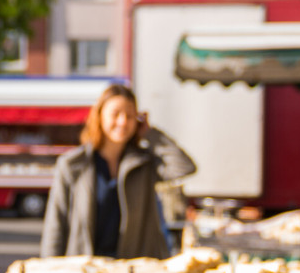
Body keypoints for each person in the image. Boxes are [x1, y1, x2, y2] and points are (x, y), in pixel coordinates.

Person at [40, 83, 195, 260]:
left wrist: (151, 134)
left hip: (132, 271)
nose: (122, 122)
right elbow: (56, 224)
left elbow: (184, 167)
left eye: (130, 116)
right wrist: (50, 269)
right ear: (99, 116)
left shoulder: (144, 163)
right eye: (115, 114)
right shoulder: (72, 164)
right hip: (84, 272)